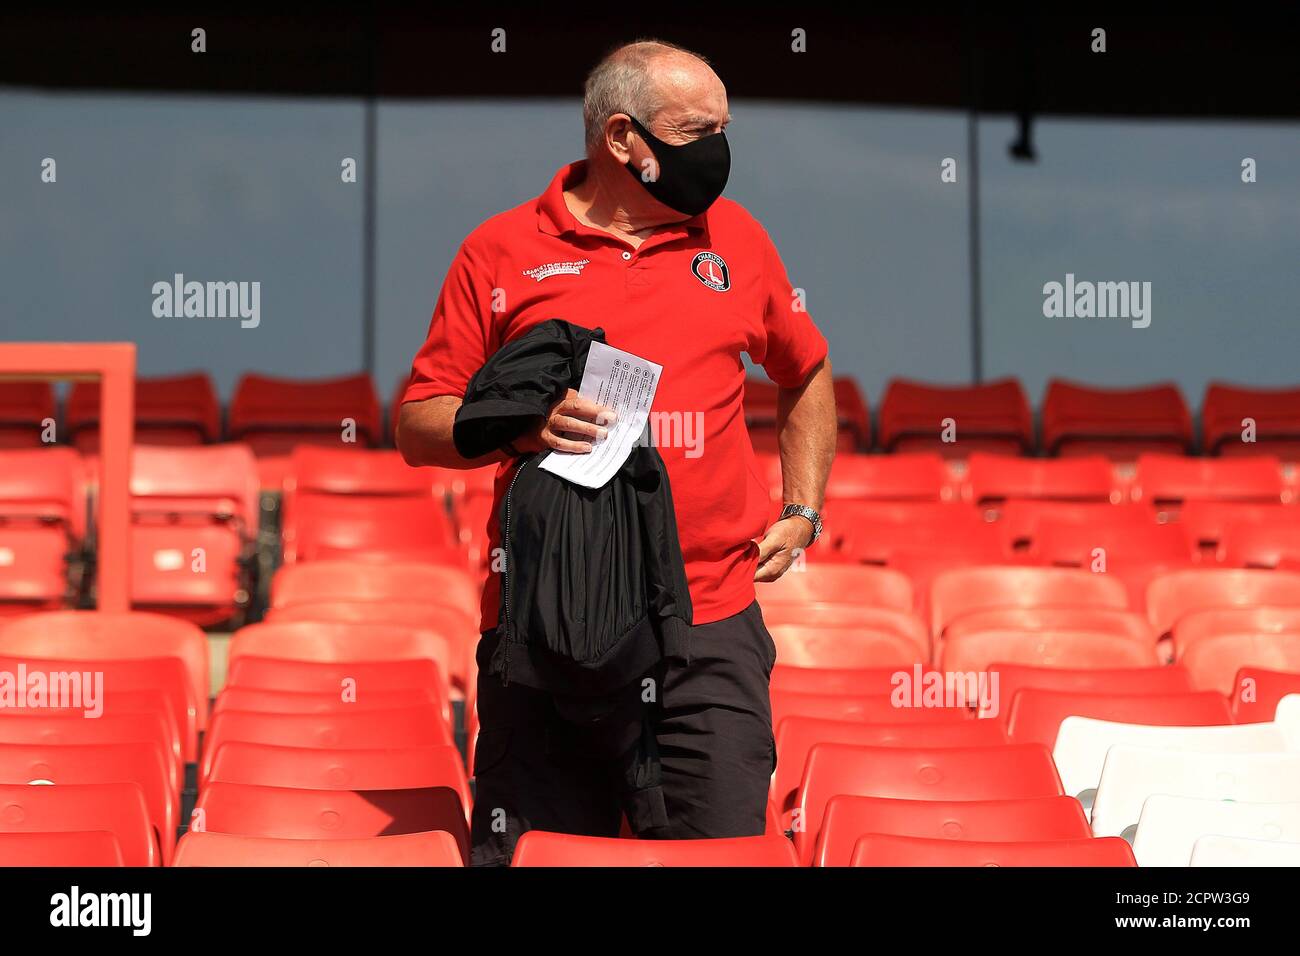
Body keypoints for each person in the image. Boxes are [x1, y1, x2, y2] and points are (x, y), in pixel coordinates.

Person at [396, 38, 836, 865]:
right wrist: (518, 427)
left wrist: (803, 507)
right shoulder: (500, 250)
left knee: (722, 858)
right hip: (549, 628)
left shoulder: (737, 240)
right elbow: (420, 422)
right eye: (695, 128)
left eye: (724, 126)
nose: (718, 148)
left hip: (708, 626)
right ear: (623, 138)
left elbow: (806, 370)